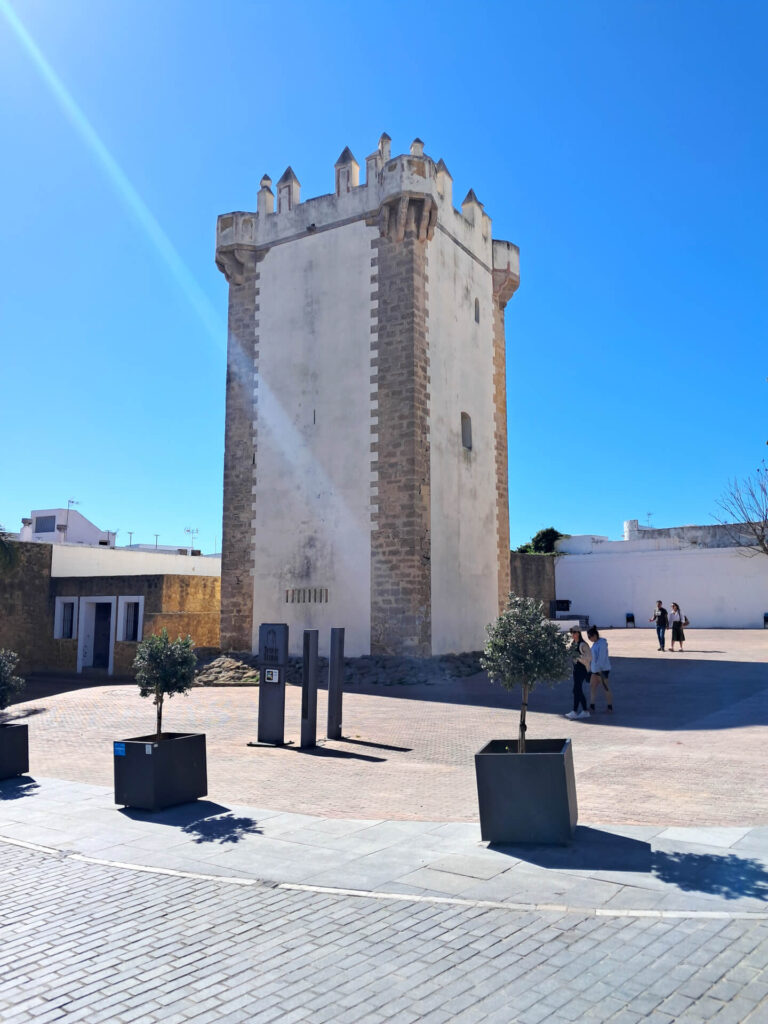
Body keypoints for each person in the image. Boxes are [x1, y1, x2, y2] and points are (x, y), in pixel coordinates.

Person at [565, 627, 591, 720]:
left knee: (577, 690)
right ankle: (581, 711)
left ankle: (579, 711)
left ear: (579, 633)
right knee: (577, 690)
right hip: (576, 669)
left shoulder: (583, 645)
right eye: (572, 632)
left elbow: (588, 657)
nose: (573, 634)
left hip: (582, 669)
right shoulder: (573, 644)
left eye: (575, 632)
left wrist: (578, 656)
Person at [587, 626, 613, 712]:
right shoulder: (595, 643)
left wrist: (598, 670)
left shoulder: (601, 644)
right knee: (592, 686)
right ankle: (592, 705)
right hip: (595, 670)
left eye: (589, 637)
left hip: (602, 671)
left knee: (605, 687)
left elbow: (601, 658)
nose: (589, 639)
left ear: (594, 635)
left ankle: (609, 707)